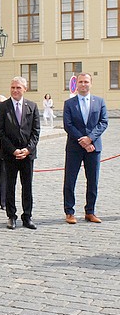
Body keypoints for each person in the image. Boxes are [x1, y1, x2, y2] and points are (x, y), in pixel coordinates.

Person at [62, 73, 109, 224]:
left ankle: (90, 211)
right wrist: (82, 141)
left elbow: (103, 122)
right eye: (81, 82)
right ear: (77, 84)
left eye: (86, 82)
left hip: (94, 147)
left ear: (91, 83)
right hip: (74, 147)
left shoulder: (99, 102)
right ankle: (69, 212)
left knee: (93, 180)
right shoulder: (69, 103)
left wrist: (90, 139)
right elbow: (68, 125)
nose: (83, 84)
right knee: (70, 180)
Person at [0, 76, 40, 230]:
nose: (15, 90)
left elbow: (36, 131)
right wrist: (13, 150)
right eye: (13, 87)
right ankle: (11, 216)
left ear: (25, 89)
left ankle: (27, 216)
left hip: (27, 155)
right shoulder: (2, 107)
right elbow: (0, 132)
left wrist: (28, 149)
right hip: (10, 154)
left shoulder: (32, 107)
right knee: (10, 186)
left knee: (27, 186)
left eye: (18, 87)